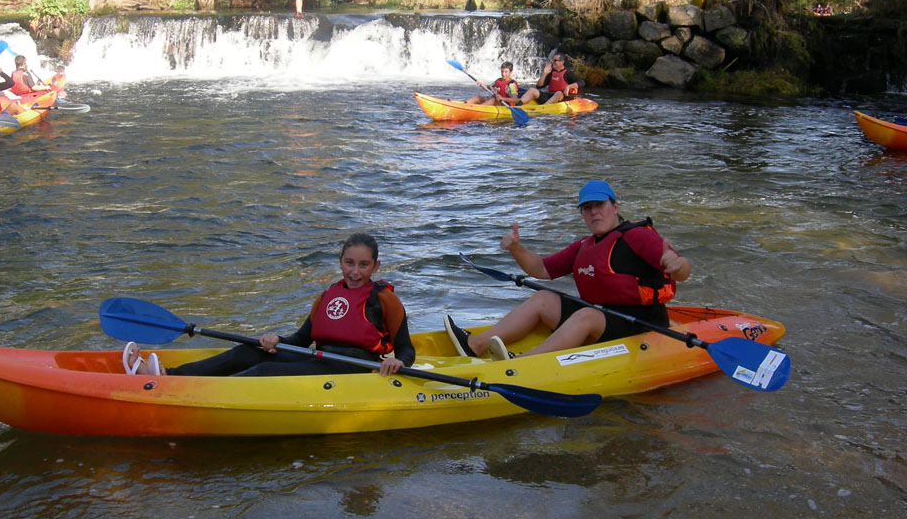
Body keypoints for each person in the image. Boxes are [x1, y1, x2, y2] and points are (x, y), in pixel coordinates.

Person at [444, 180, 691, 361]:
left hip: (642, 325)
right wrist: (517, 249)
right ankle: (475, 344)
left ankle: (523, 363)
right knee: (543, 298)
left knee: (587, 315)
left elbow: (683, 271)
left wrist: (677, 265)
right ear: (582, 214)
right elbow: (542, 269)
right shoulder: (584, 245)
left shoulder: (637, 236)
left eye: (599, 205)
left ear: (615, 206)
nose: (594, 212)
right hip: (603, 319)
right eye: (587, 208)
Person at [124, 233, 416, 377]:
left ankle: (189, 391)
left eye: (363, 265)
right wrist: (277, 339)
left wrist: (398, 362)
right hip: (319, 359)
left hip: (354, 368)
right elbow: (301, 340)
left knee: (265, 370)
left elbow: (406, 349)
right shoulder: (328, 295)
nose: (355, 271)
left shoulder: (384, 298)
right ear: (340, 262)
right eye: (349, 263)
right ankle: (171, 376)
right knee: (250, 351)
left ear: (375, 266)